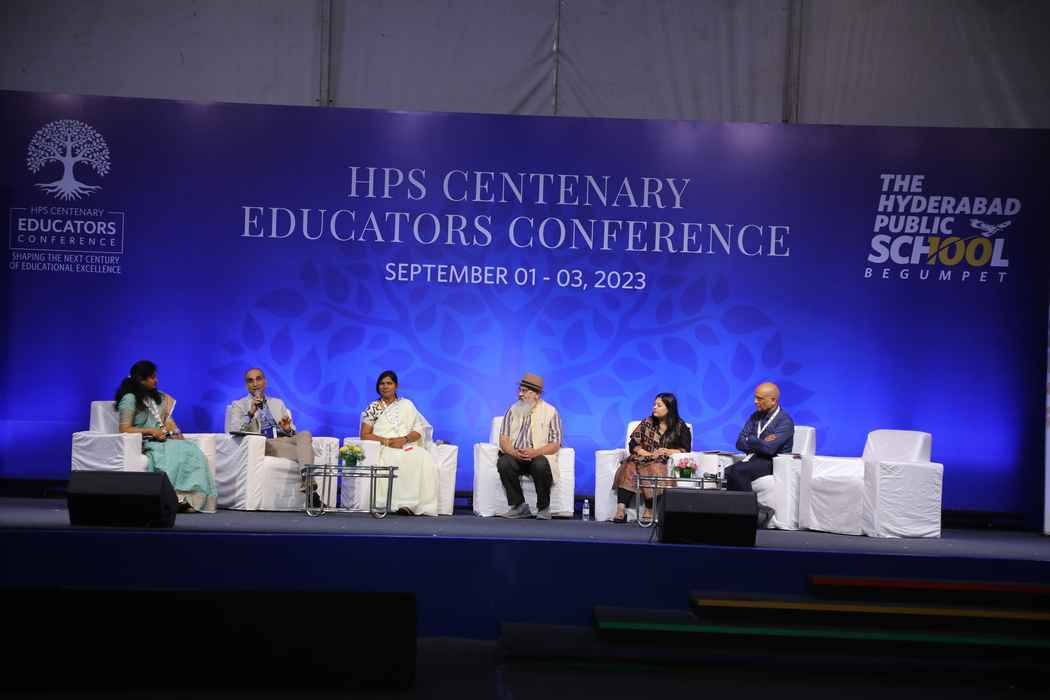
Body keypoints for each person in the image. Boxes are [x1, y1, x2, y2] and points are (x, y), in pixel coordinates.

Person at [115, 360, 216, 513]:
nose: (156, 380)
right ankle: (171, 500)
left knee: (190, 449)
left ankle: (187, 499)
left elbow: (167, 421)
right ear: (141, 379)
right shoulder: (130, 398)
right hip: (144, 442)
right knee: (170, 455)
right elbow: (124, 429)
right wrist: (151, 431)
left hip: (161, 440)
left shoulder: (158, 397)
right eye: (152, 377)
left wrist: (175, 432)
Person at [359, 370, 439, 516]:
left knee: (421, 456)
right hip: (384, 446)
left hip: (406, 444)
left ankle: (411, 504)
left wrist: (404, 440)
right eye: (382, 383)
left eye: (389, 383)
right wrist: (387, 441)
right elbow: (364, 435)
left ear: (396, 386)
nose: (385, 386)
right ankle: (396, 503)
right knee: (394, 458)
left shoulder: (407, 404)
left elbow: (418, 431)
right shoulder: (373, 408)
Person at [611, 393, 692, 523]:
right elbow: (633, 444)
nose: (654, 407)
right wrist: (647, 454)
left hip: (663, 461)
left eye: (659, 405)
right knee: (629, 466)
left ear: (669, 408)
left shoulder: (680, 426)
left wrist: (668, 451)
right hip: (642, 458)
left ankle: (649, 508)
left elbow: (685, 449)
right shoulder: (647, 422)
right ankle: (621, 509)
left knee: (655, 468)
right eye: (654, 404)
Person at [496, 373, 563, 520]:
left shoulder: (551, 412)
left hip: (538, 456)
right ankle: (519, 506)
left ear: (537, 395)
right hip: (516, 455)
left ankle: (543, 508)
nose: (520, 394)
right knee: (504, 462)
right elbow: (504, 439)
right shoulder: (512, 410)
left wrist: (535, 452)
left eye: (524, 391)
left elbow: (555, 444)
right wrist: (514, 452)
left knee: (540, 464)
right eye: (519, 390)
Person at [227, 367, 314, 472]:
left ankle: (306, 476)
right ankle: (308, 477)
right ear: (246, 385)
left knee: (305, 434)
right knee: (306, 452)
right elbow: (234, 429)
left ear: (265, 382)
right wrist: (250, 413)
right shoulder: (238, 405)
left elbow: (292, 432)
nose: (255, 384)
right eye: (250, 381)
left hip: (283, 439)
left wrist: (287, 429)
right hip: (264, 443)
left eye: (258, 379)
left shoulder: (278, 403)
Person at [725, 381, 794, 494]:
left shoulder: (785, 421)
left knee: (738, 471)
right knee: (726, 472)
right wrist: (760, 442)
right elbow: (739, 443)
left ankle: (746, 505)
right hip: (753, 458)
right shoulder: (755, 416)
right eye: (755, 398)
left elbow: (769, 449)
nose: (755, 401)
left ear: (773, 400)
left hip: (772, 462)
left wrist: (750, 439)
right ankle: (731, 505)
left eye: (760, 398)